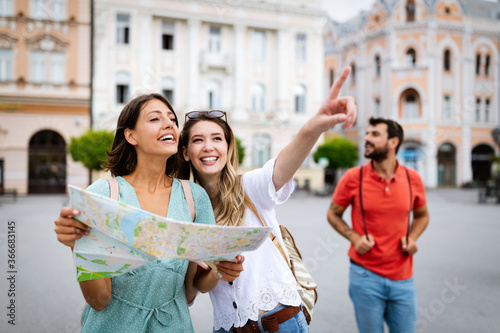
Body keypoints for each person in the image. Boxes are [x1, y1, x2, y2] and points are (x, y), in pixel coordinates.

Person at [174, 66, 357, 332]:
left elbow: (283, 166)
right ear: (186, 152)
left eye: (217, 138)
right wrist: (217, 270)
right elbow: (191, 293)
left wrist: (313, 127)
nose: (209, 147)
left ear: (228, 147)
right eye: (198, 140)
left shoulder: (250, 187)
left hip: (280, 324)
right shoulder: (188, 208)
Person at [54, 93, 243, 332]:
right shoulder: (102, 194)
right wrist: (78, 245)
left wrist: (220, 271)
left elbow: (199, 285)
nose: (169, 124)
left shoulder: (194, 197)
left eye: (172, 120)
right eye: (155, 119)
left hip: (175, 325)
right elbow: (98, 300)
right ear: (131, 135)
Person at [327, 117, 430, 333]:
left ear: (393, 142)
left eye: (374, 135)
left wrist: (412, 238)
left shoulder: (413, 179)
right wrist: (354, 238)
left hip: (403, 277)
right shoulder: (353, 177)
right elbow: (333, 214)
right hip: (364, 276)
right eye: (367, 134)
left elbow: (422, 215)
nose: (367, 138)